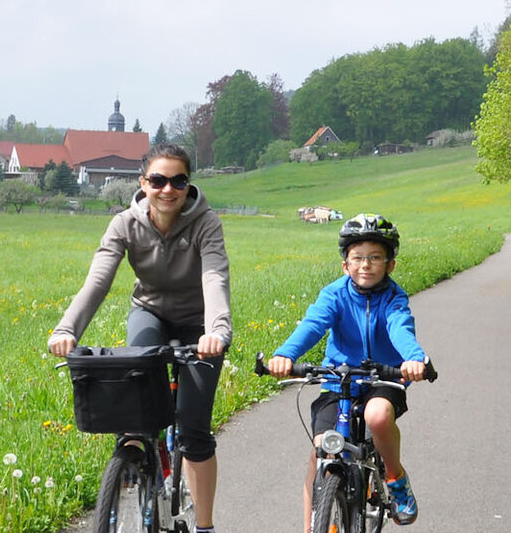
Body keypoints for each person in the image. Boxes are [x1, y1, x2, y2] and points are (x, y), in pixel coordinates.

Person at [47, 143, 230, 533]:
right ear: (143, 183)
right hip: (149, 313)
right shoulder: (124, 224)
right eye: (158, 180)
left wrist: (217, 330)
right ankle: (142, 457)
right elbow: (97, 282)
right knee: (134, 413)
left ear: (188, 183)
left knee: (194, 430)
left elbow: (214, 277)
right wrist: (67, 329)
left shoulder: (206, 223)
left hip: (200, 325)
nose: (168, 189)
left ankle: (205, 526)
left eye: (178, 180)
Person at [265, 213, 427, 526]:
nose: (366, 264)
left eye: (375, 257)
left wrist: (414, 358)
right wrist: (284, 355)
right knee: (320, 453)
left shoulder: (394, 298)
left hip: (384, 379)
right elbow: (313, 325)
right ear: (345, 265)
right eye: (358, 258)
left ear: (390, 265)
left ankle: (395, 478)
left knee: (377, 416)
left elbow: (400, 329)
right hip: (339, 381)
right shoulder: (334, 294)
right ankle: (315, 524)